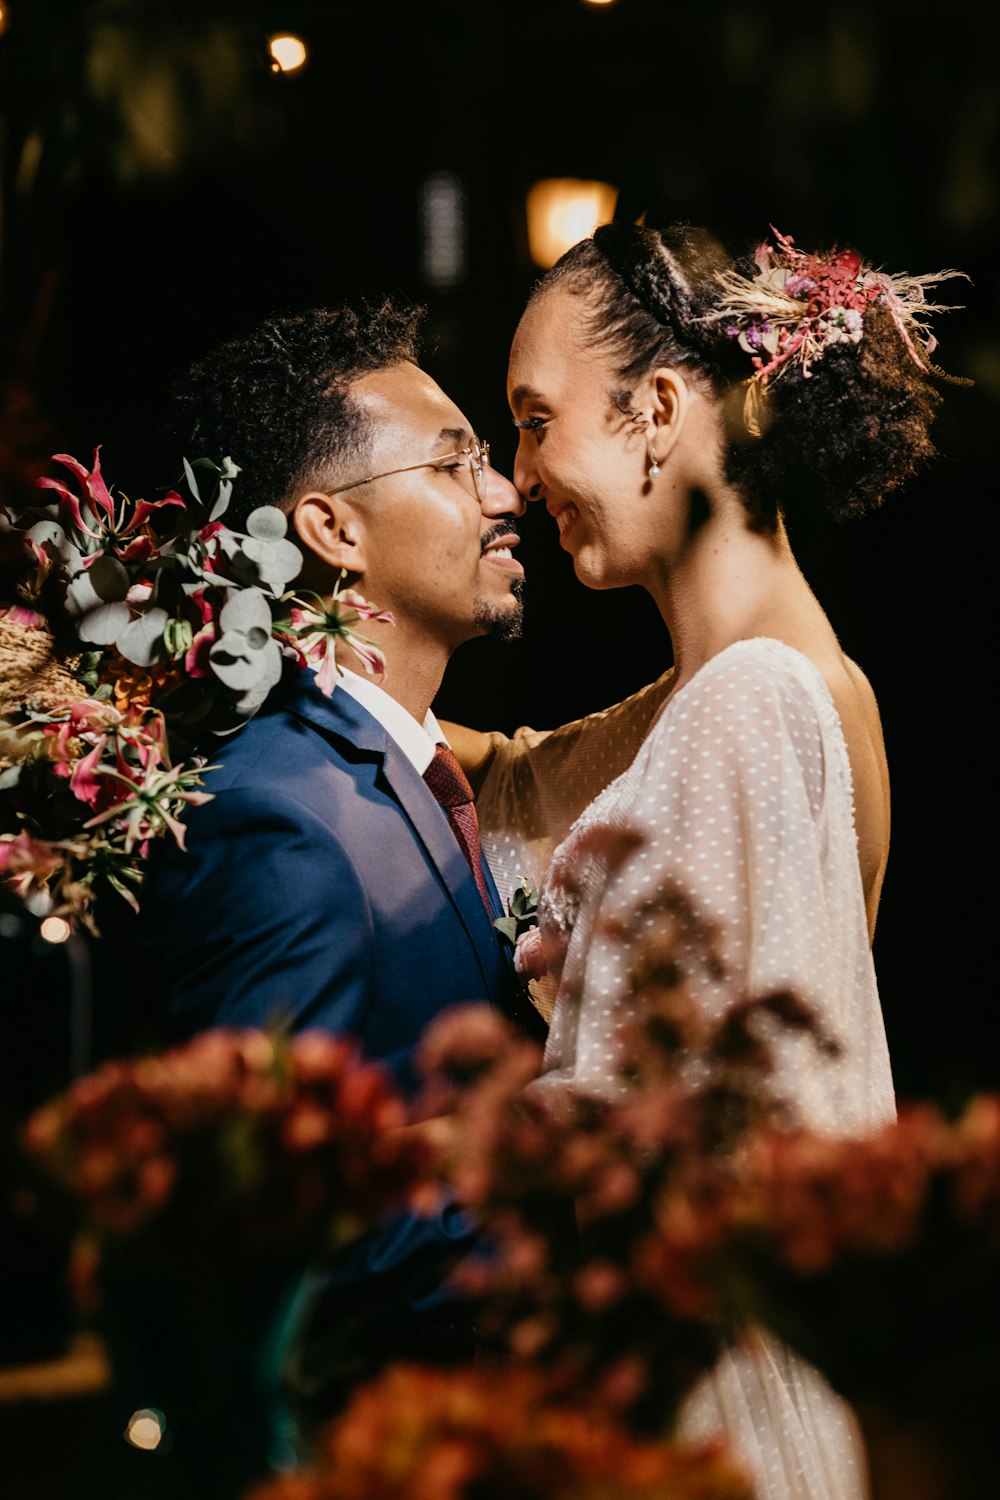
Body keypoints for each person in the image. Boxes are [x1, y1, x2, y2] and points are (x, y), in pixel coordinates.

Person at [444, 222, 965, 1500]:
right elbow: (508, 778)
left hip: (705, 1403)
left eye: (531, 419)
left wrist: (335, 1165)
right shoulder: (788, 683)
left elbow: (645, 1130)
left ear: (658, 409)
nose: (516, 477)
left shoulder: (748, 703)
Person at [135, 299, 547, 1427]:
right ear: (331, 529)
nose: (506, 493)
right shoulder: (277, 816)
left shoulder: (404, 771)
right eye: (456, 463)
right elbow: (276, 1215)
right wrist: (573, 1166)